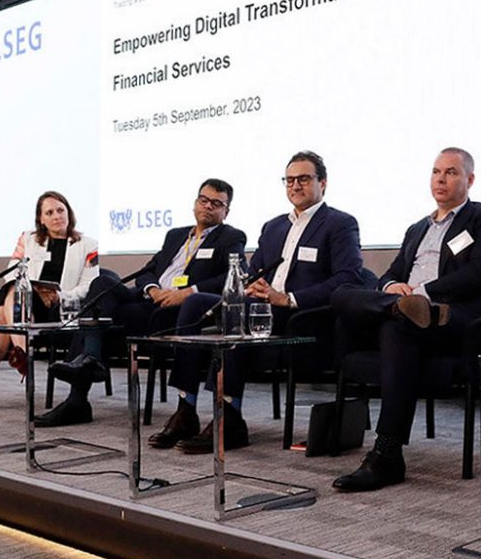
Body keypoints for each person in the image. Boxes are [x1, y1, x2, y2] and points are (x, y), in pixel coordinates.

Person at [149, 151, 364, 453]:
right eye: (289, 180)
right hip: (260, 307)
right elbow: (251, 274)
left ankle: (230, 417)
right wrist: (251, 286)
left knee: (241, 312)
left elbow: (349, 279)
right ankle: (186, 409)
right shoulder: (273, 226)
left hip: (301, 317)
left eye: (304, 179)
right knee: (196, 304)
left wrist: (288, 298)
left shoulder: (340, 224)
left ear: (323, 183)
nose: (295, 186)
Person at [330, 147, 481, 492]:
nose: (441, 179)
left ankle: (386, 453)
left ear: (469, 179)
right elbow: (393, 272)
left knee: (398, 325)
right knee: (344, 295)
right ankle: (395, 307)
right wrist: (391, 287)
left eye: (451, 172)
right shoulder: (417, 228)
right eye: (436, 171)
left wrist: (424, 293)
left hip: (456, 317)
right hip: (408, 312)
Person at [37, 179, 247, 427]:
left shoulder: (230, 237)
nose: (208, 206)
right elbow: (148, 271)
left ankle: (77, 398)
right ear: (195, 203)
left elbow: (237, 274)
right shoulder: (176, 235)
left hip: (180, 310)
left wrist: (189, 292)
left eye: (216, 203)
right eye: (204, 200)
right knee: (103, 282)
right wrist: (152, 288)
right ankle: (88, 365)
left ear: (226, 211)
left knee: (99, 325)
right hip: (150, 301)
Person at [0, 191, 99, 413]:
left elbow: (89, 286)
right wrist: (30, 288)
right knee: (12, 293)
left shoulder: (87, 245)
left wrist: (61, 296)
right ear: (41, 219)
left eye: (60, 210)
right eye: (49, 212)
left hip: (54, 308)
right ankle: (23, 348)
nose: (56, 216)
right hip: (23, 302)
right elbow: (11, 272)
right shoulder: (28, 239)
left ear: (68, 212)